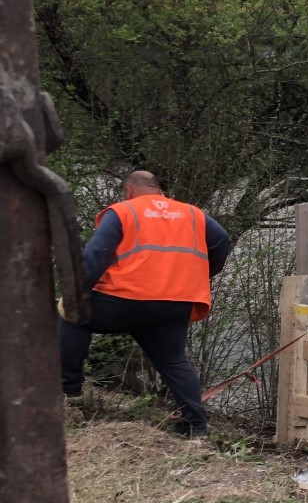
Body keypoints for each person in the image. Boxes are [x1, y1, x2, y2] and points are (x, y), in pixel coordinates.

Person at [60, 170, 231, 438]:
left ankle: (70, 394)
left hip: (124, 299)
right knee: (174, 361)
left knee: (72, 317)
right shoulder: (191, 213)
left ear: (128, 191)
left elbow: (95, 256)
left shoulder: (124, 211)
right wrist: (202, 274)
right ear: (159, 190)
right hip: (175, 301)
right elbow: (222, 241)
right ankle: (195, 427)